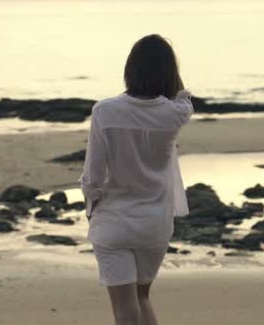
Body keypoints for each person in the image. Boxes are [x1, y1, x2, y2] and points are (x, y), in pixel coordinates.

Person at [78, 34, 193, 325]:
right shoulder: (174, 114)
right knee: (142, 298)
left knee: (124, 307)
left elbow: (93, 175)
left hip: (115, 220)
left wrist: (90, 208)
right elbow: (184, 97)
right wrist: (170, 81)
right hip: (155, 223)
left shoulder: (105, 111)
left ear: (130, 69)